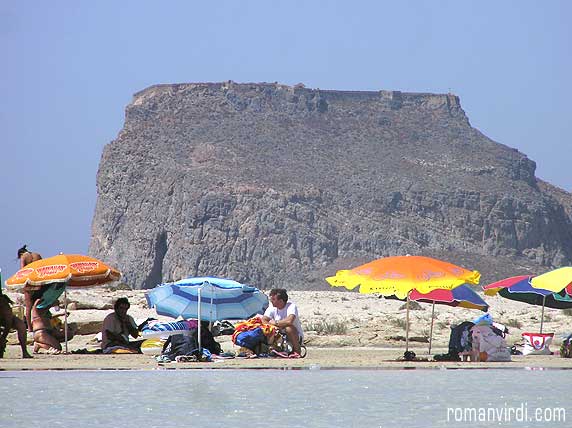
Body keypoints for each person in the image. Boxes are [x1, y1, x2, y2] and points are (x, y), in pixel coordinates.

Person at [262, 288, 303, 356]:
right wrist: (274, 326)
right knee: (266, 328)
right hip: (279, 334)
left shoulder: (291, 306)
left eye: (273, 299)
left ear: (281, 301)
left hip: (294, 335)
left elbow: (289, 321)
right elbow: (264, 320)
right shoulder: (272, 308)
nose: (271, 301)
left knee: (289, 328)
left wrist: (275, 323)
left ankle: (297, 351)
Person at [17, 245, 43, 334]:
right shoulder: (38, 255)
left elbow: (22, 270)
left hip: (29, 284)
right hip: (39, 283)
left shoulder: (24, 257)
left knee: (28, 307)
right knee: (38, 305)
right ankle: (40, 325)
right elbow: (43, 268)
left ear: (21, 253)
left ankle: (30, 328)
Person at [0, 293, 33, 358]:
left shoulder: (3, 303)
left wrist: (3, 337)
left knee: (21, 325)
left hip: (5, 318)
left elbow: (8, 321)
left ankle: (25, 352)